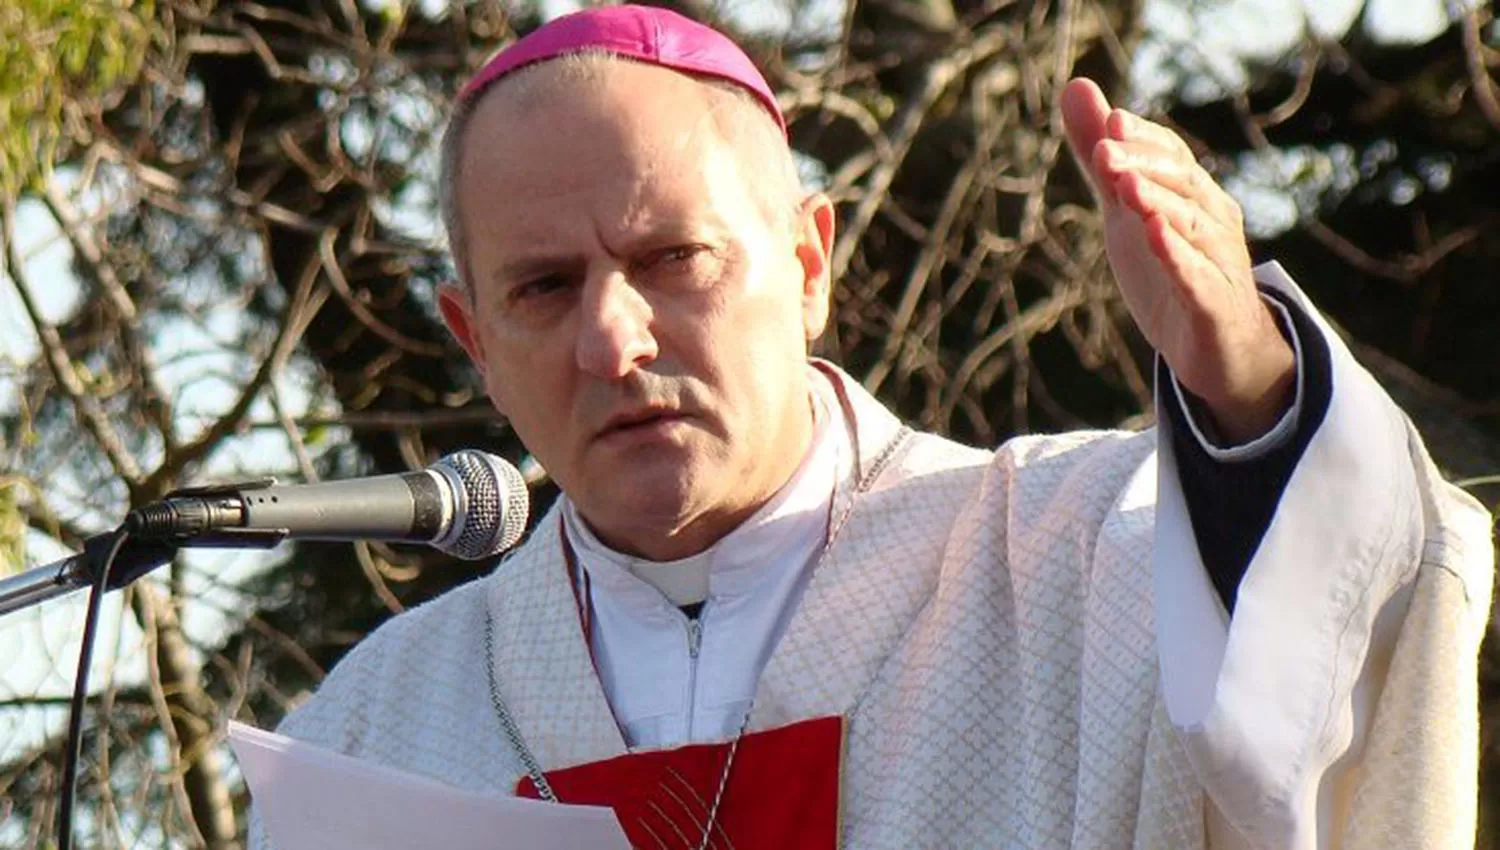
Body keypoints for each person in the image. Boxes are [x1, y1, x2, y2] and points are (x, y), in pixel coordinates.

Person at [247, 6, 1493, 849]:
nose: (611, 341)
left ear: (808, 263)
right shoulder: (375, 739)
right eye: (543, 287)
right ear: (476, 345)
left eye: (674, 258)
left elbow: (1381, 578)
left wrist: (1251, 387)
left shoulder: (1094, 558)